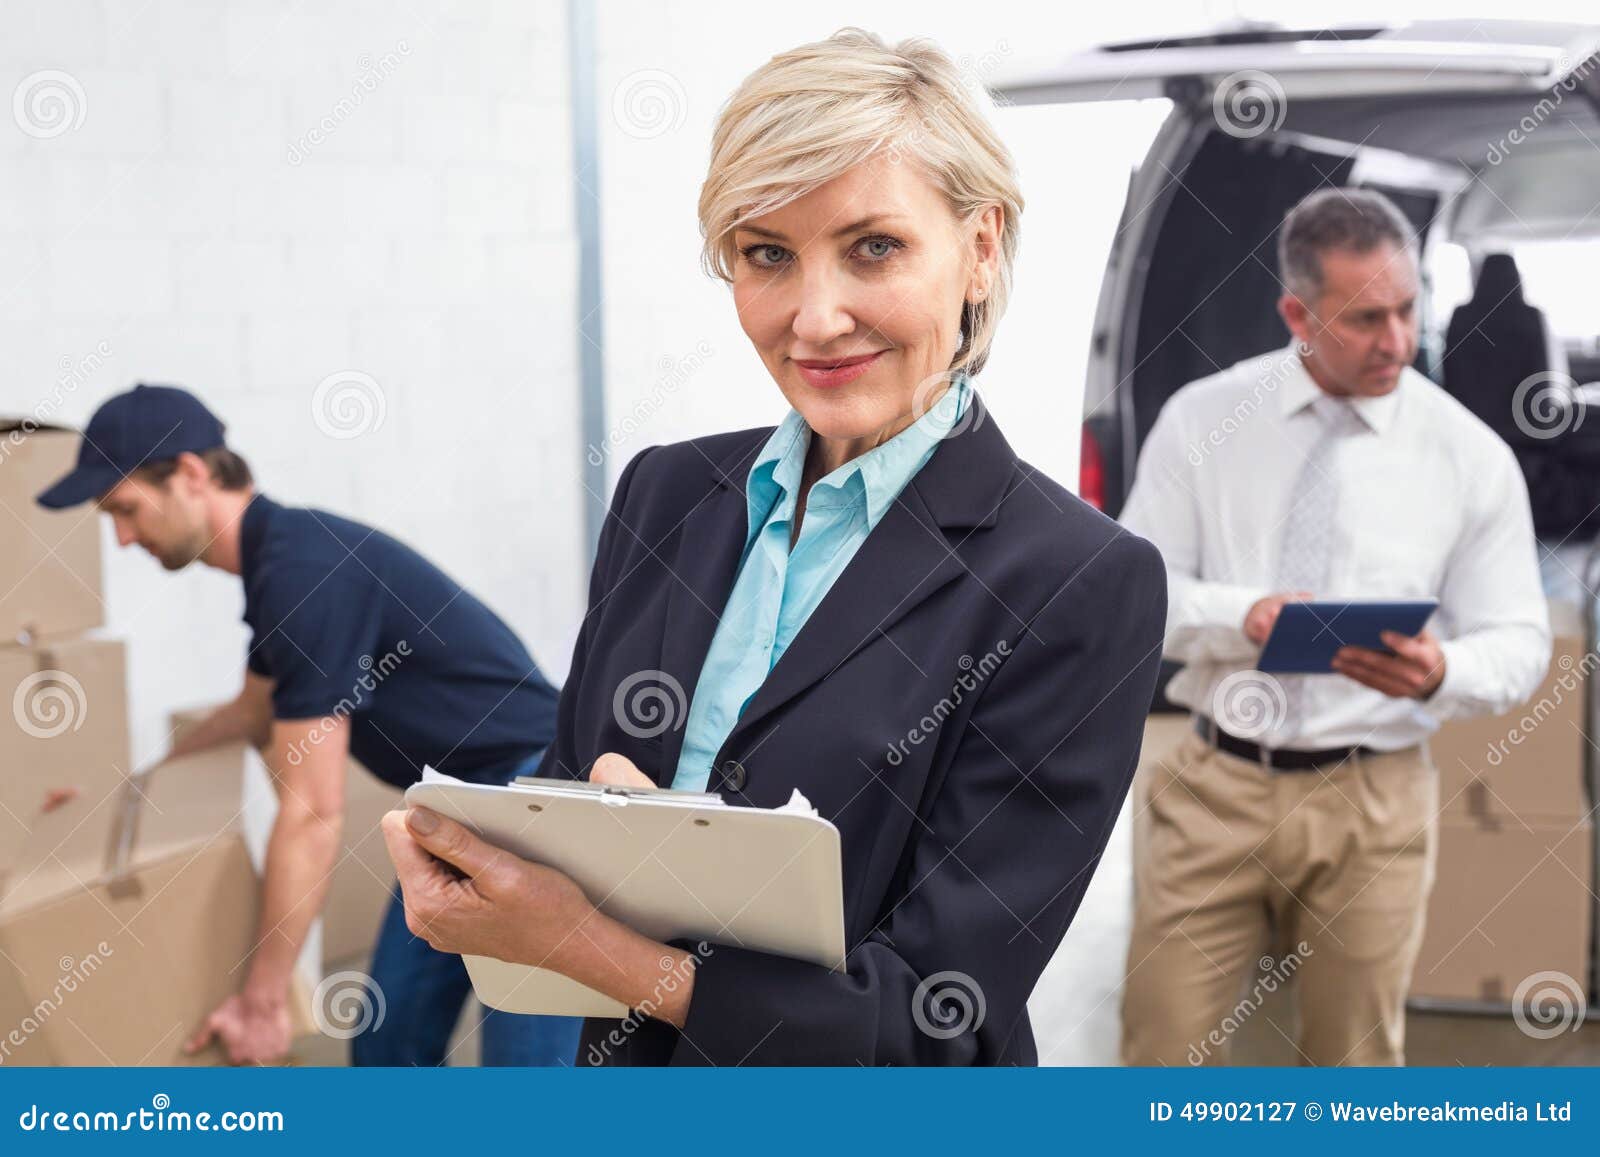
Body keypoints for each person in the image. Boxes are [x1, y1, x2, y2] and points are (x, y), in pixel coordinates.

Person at [380, 28, 1167, 1066]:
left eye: (872, 247)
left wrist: (587, 937)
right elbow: (567, 792)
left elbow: (933, 1014)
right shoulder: (666, 493)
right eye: (767, 255)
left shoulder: (1073, 580)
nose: (815, 316)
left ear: (980, 248)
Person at [1118, 188, 1551, 1066]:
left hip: (1374, 801)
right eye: (1364, 319)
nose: (1395, 342)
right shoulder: (1203, 422)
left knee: (1354, 1073)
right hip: (1215, 786)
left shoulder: (1468, 456)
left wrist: (1441, 670)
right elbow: (1133, 596)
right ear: (1296, 312)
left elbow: (1520, 640)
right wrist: (1242, 613)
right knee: (1161, 1057)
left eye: (1406, 310)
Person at [35, 384, 580, 1068]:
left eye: (125, 508)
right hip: (463, 804)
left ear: (192, 475)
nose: (121, 537)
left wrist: (262, 1003)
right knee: (387, 1041)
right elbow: (250, 711)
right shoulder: (276, 565)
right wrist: (127, 792)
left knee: (528, 1077)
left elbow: (314, 815)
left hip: (538, 793)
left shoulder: (304, 572)